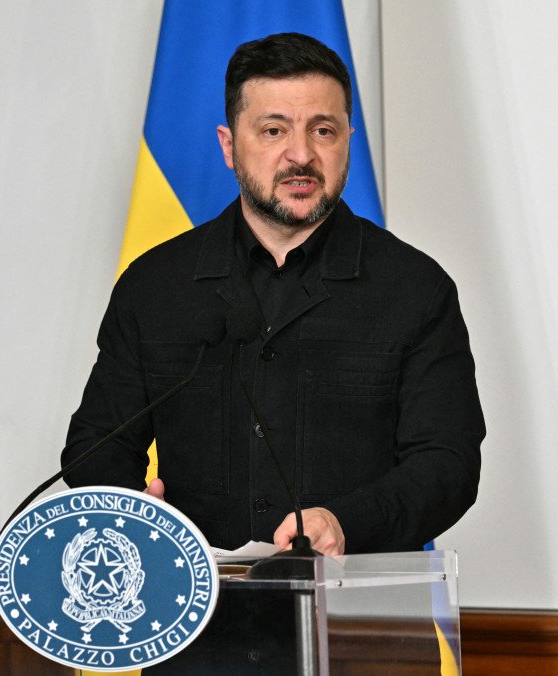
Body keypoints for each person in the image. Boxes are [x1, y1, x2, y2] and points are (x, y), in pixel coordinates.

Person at [62, 32, 484, 556]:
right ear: (229, 146)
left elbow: (447, 464)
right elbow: (95, 447)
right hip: (196, 596)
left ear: (348, 141)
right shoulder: (154, 286)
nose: (301, 155)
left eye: (323, 131)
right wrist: (136, 516)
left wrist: (344, 522)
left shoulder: (415, 288)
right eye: (273, 130)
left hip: (355, 597)